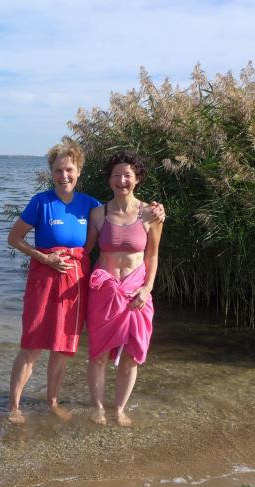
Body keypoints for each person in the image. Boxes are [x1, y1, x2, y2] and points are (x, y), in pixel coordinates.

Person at [7, 140, 163, 424]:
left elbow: (113, 241)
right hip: (45, 280)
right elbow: (14, 238)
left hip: (75, 283)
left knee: (64, 346)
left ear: (79, 171)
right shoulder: (43, 203)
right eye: (58, 170)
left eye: (69, 170)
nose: (64, 175)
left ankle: (53, 402)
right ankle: (14, 406)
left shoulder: (90, 205)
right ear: (51, 172)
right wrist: (44, 258)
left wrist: (157, 212)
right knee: (32, 344)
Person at [85, 150, 164, 427]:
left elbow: (153, 255)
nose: (121, 180)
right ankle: (98, 408)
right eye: (116, 175)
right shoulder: (98, 213)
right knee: (98, 354)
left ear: (137, 178)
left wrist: (147, 289)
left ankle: (119, 409)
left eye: (127, 175)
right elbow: (86, 251)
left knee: (132, 355)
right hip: (104, 292)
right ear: (109, 179)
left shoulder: (150, 213)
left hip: (136, 292)